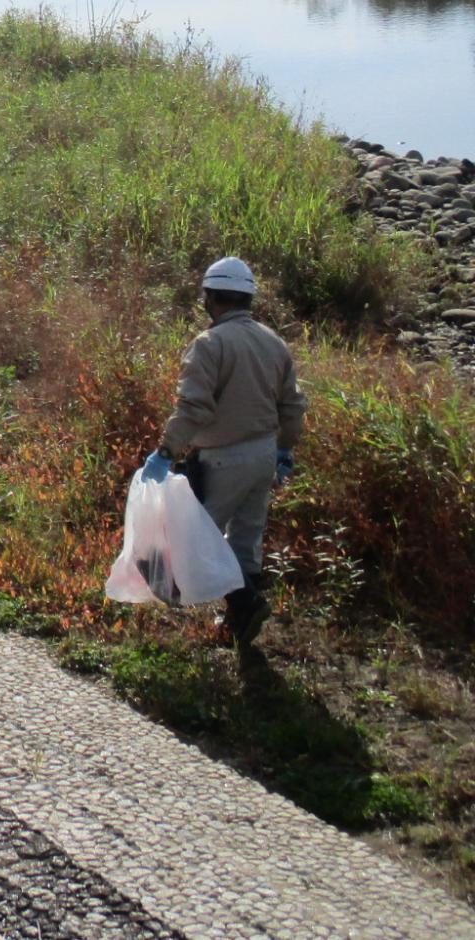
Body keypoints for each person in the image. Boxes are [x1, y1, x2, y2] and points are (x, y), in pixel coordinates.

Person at [158, 256, 306, 668]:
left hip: (222, 459)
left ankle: (243, 600)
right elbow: (292, 406)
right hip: (264, 456)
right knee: (246, 538)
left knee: (196, 538)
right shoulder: (273, 341)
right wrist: (283, 450)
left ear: (210, 298)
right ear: (247, 297)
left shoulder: (211, 344)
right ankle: (240, 624)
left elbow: (194, 407)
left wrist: (166, 450)